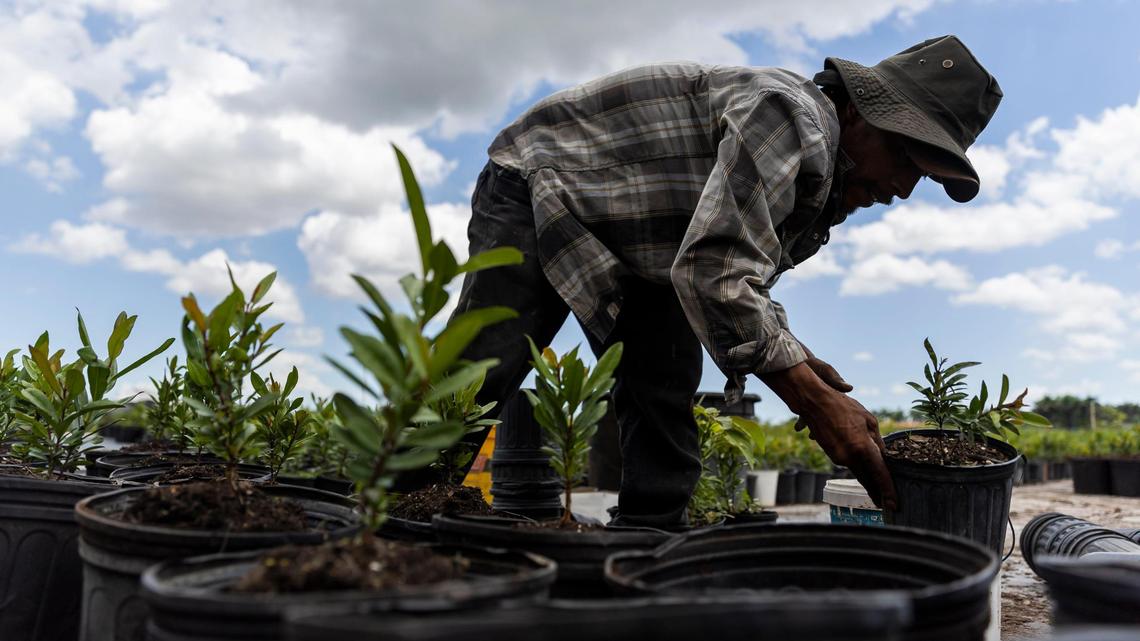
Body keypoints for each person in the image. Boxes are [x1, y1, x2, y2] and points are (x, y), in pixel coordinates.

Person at [449, 35, 1003, 527]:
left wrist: (800, 363)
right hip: (537, 175)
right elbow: (715, 271)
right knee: (483, 365)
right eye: (907, 158)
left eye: (923, 176)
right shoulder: (792, 117)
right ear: (860, 113)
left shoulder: (821, 181)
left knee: (665, 375)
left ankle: (648, 542)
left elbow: (734, 276)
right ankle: (398, 508)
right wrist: (811, 400)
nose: (904, 188)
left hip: (653, 243)